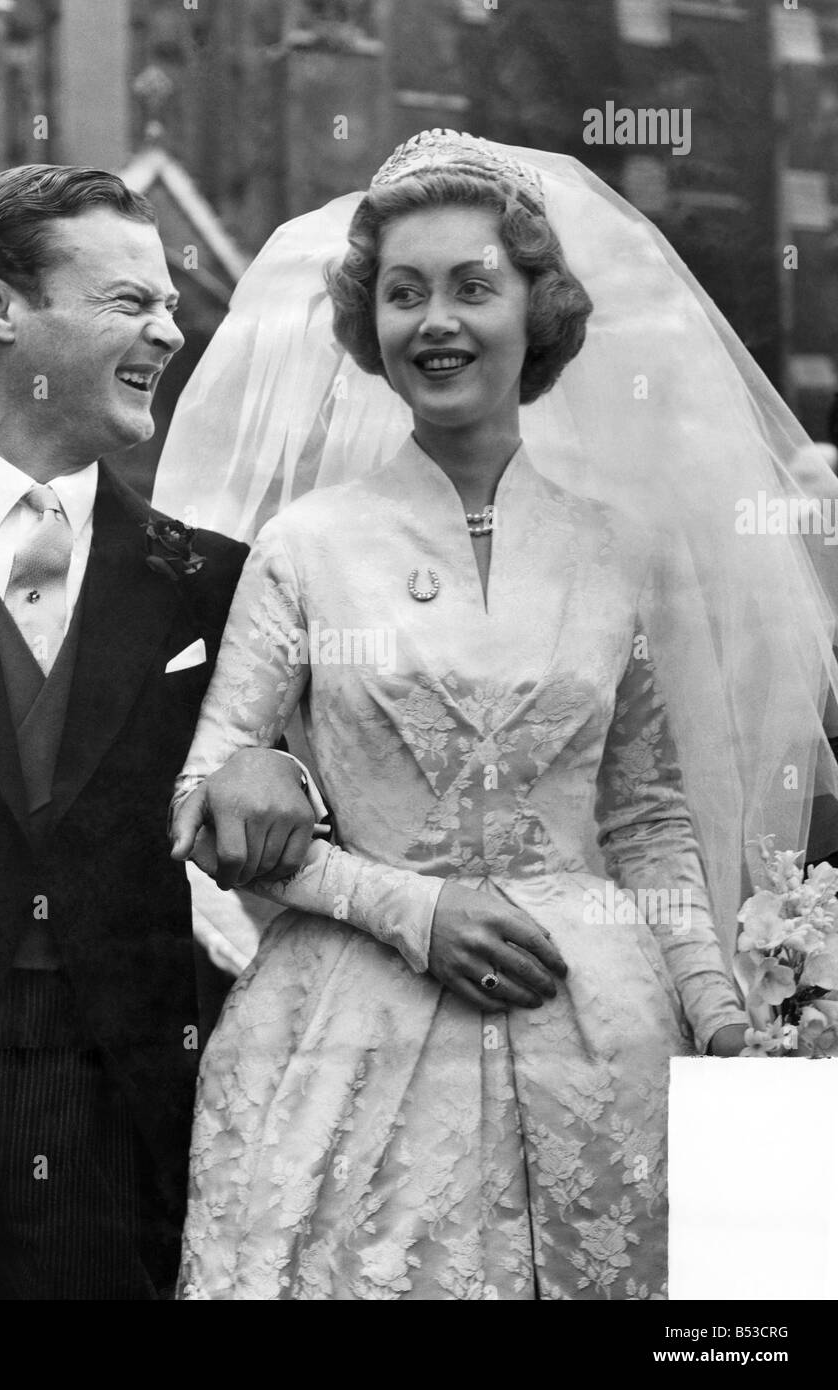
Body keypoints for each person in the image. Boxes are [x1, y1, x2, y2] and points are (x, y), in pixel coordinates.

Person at [163, 131, 838, 1300]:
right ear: (365, 320)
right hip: (346, 1045)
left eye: (473, 287)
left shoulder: (616, 548)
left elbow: (643, 819)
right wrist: (410, 907)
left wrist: (725, 1024)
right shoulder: (308, 547)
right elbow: (197, 802)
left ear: (539, 308)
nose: (436, 322)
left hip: (600, 1039)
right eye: (402, 292)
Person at [0, 164, 313, 1299]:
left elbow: (327, 800)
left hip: (126, 1120)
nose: (171, 328)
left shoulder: (214, 582)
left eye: (168, 303)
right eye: (128, 303)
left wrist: (278, 765)